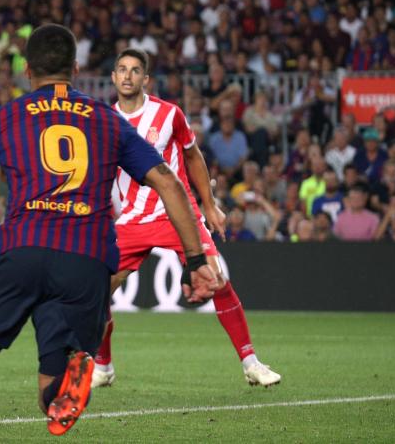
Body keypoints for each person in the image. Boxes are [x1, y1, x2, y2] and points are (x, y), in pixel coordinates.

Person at [0, 25, 218, 443]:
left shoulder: (7, 116)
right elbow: (171, 185)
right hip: (85, 263)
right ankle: (72, 376)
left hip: (22, 250)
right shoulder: (109, 121)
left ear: (27, 70)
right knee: (53, 388)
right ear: (76, 69)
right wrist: (194, 261)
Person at [92, 48, 281, 390]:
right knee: (95, 290)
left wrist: (208, 206)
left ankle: (251, 363)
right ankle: (103, 367)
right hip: (133, 217)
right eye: (121, 69)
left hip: (178, 214)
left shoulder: (169, 114)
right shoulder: (103, 121)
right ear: (113, 77)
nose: (127, 75)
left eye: (135, 70)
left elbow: (192, 156)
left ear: (145, 79)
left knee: (215, 279)